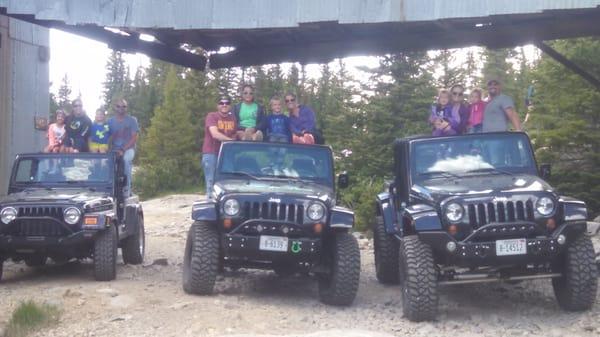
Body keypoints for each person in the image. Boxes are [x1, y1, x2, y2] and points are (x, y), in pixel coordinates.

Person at [202, 95, 237, 197]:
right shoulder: (211, 116)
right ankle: (209, 205)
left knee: (227, 182)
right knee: (211, 182)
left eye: (227, 103)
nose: (224, 105)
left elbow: (234, 134)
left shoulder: (233, 119)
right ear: (217, 105)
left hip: (226, 154)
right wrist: (230, 140)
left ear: (230, 106)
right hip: (211, 153)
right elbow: (215, 134)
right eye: (221, 103)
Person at [108, 99, 139, 196]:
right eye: (118, 106)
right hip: (114, 149)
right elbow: (105, 136)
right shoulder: (110, 121)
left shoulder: (132, 120)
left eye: (124, 106)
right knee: (107, 164)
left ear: (126, 108)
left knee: (126, 161)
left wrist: (123, 149)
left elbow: (134, 137)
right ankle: (111, 189)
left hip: (128, 149)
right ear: (115, 107)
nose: (121, 108)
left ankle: (127, 189)